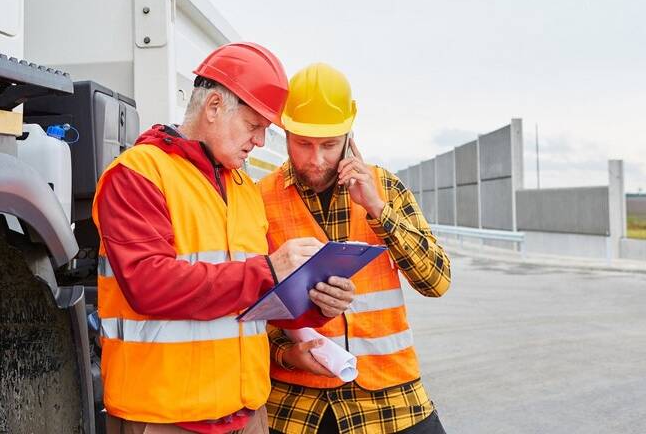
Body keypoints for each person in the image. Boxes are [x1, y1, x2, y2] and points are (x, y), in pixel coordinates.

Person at [92, 43, 356, 434]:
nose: (261, 141)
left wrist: (319, 303)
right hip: (166, 417)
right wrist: (271, 267)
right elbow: (149, 286)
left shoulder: (244, 189)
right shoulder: (138, 174)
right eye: (254, 126)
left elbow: (263, 299)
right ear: (214, 106)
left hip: (247, 413)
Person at [260, 63, 452, 434]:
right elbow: (247, 306)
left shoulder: (384, 187)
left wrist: (378, 209)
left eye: (329, 145)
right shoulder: (259, 199)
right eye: (303, 143)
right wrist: (286, 353)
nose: (315, 159)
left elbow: (437, 281)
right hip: (297, 404)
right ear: (284, 133)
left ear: (349, 136)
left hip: (390, 398)